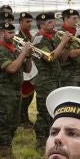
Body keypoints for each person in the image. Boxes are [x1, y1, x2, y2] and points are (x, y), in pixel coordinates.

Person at [0, 17, 31, 158]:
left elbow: (27, 69)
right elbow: (12, 68)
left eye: (13, 33)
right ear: (1, 34)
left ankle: (8, 149)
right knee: (4, 124)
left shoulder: (14, 50)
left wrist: (28, 56)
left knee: (14, 123)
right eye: (9, 33)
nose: (13, 36)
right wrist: (23, 53)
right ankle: (4, 153)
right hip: (3, 93)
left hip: (15, 92)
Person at [30, 12, 66, 147]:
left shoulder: (51, 38)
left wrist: (66, 45)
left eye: (53, 22)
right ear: (42, 24)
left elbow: (61, 59)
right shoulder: (39, 39)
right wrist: (63, 42)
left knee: (54, 110)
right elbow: (50, 57)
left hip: (55, 79)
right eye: (50, 23)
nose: (54, 25)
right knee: (44, 111)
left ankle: (50, 138)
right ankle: (40, 141)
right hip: (44, 81)